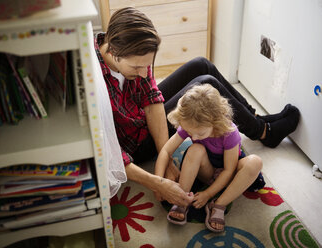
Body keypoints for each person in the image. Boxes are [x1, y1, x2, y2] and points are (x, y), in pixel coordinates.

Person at [94, 7, 300, 207]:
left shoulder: (133, 49)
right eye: (136, 67)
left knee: (201, 64)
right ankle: (264, 131)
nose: (142, 73)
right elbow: (109, 153)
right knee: (205, 84)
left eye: (146, 66)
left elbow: (151, 99)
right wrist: (159, 180)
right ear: (113, 51)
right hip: (133, 142)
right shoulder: (92, 78)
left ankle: (256, 120)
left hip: (139, 116)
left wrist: (165, 156)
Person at [155, 84, 264, 232]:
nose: (193, 136)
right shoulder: (192, 124)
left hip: (230, 173)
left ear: (215, 122)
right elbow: (166, 151)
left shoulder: (229, 132)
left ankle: (218, 204)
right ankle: (182, 199)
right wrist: (158, 182)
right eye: (189, 132)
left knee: (255, 162)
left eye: (199, 134)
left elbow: (229, 170)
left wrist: (208, 194)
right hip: (207, 170)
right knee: (195, 149)